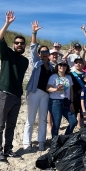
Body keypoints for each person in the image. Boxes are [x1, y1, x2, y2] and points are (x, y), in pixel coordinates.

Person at [0, 11, 29, 162]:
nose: (19, 45)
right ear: (13, 45)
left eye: (21, 43)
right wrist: (7, 23)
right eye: (17, 43)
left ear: (24, 46)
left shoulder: (25, 61)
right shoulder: (7, 54)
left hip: (16, 95)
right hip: (5, 93)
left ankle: (8, 148)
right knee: (0, 124)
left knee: (11, 125)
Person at [23, 20, 54, 152]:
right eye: (42, 52)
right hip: (34, 92)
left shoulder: (52, 67)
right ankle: (26, 143)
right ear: (39, 54)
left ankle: (41, 141)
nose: (45, 54)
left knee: (42, 119)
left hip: (45, 95)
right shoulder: (36, 62)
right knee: (30, 118)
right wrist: (34, 32)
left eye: (47, 52)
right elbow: (33, 47)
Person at [47, 60, 77, 139]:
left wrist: (72, 102)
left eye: (64, 65)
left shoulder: (69, 77)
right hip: (55, 101)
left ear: (67, 67)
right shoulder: (53, 76)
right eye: (60, 65)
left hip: (67, 101)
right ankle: (54, 143)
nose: (62, 67)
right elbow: (48, 88)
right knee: (56, 124)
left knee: (73, 121)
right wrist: (56, 89)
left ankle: (65, 138)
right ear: (57, 66)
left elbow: (71, 90)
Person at [69, 57, 85, 128]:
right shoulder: (70, 74)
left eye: (80, 62)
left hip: (83, 97)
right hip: (74, 97)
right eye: (76, 63)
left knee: (82, 112)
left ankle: (80, 126)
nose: (78, 64)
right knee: (73, 114)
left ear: (83, 64)